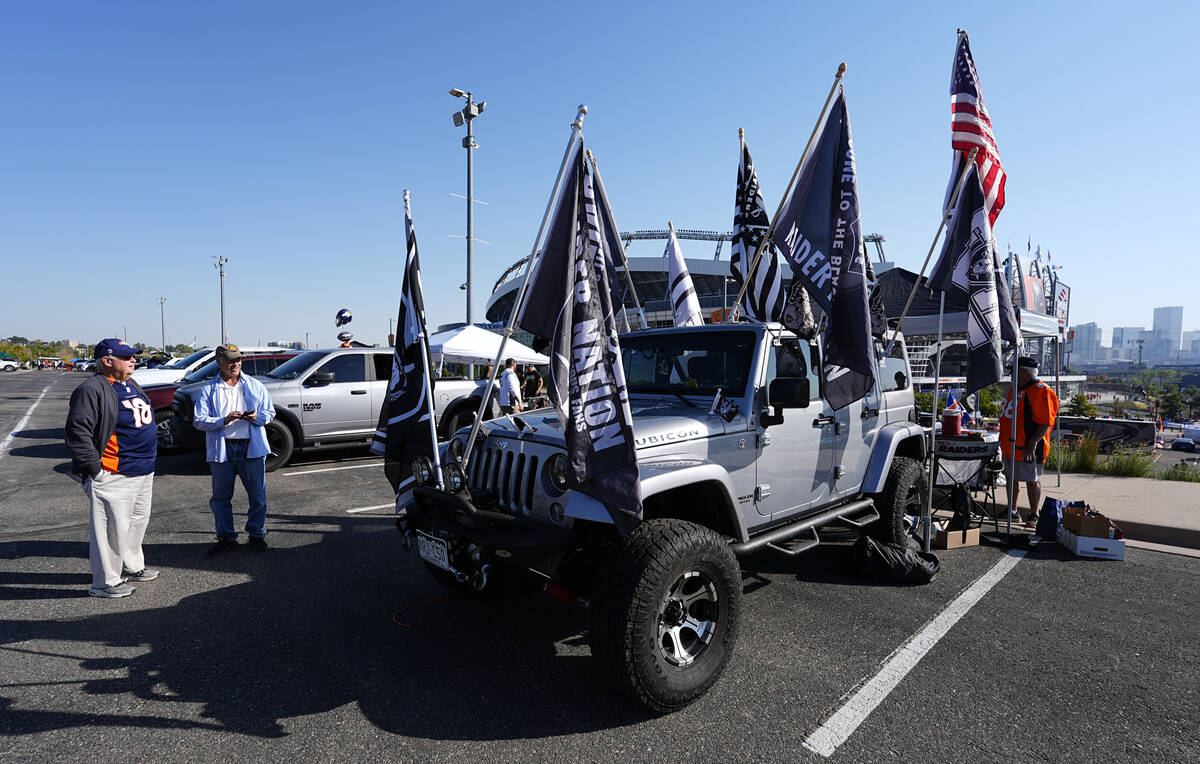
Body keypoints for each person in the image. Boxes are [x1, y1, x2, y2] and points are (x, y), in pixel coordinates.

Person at [65, 338, 158, 598]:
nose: (133, 361)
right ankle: (105, 582)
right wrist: (96, 470)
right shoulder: (92, 389)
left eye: (133, 357)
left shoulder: (130, 383)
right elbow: (77, 433)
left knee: (136, 523)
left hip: (143, 470)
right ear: (107, 361)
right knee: (110, 530)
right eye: (126, 357)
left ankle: (132, 565)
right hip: (113, 472)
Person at [193, 344, 276, 556]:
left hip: (251, 448)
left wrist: (257, 417)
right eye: (231, 360)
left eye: (238, 360)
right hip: (223, 450)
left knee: (258, 496)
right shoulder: (209, 389)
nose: (236, 364)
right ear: (219, 362)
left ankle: (256, 533)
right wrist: (224, 420)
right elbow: (199, 421)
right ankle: (226, 537)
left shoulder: (254, 385)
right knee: (221, 497)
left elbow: (269, 412)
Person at [999, 355, 1060, 525]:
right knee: (1011, 478)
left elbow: (1046, 422)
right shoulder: (1015, 389)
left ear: (1024, 372)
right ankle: (1012, 511)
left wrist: (1032, 443)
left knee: (1032, 480)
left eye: (1013, 371)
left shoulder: (1041, 390)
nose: (1011, 374)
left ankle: (1034, 514)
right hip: (1010, 445)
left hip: (1027, 447)